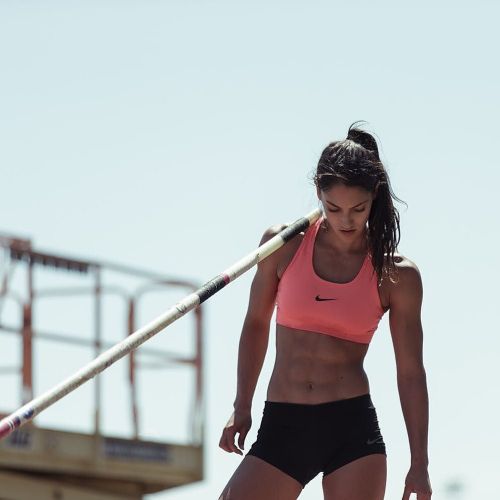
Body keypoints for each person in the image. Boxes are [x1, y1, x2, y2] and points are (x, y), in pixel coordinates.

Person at [218, 122, 432, 500]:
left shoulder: (395, 275)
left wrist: (420, 462)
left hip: (351, 429)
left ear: (374, 197)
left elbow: (411, 373)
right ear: (317, 191)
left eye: (358, 209)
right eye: (333, 208)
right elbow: (255, 324)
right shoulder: (281, 245)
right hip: (283, 422)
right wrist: (241, 404)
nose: (346, 220)